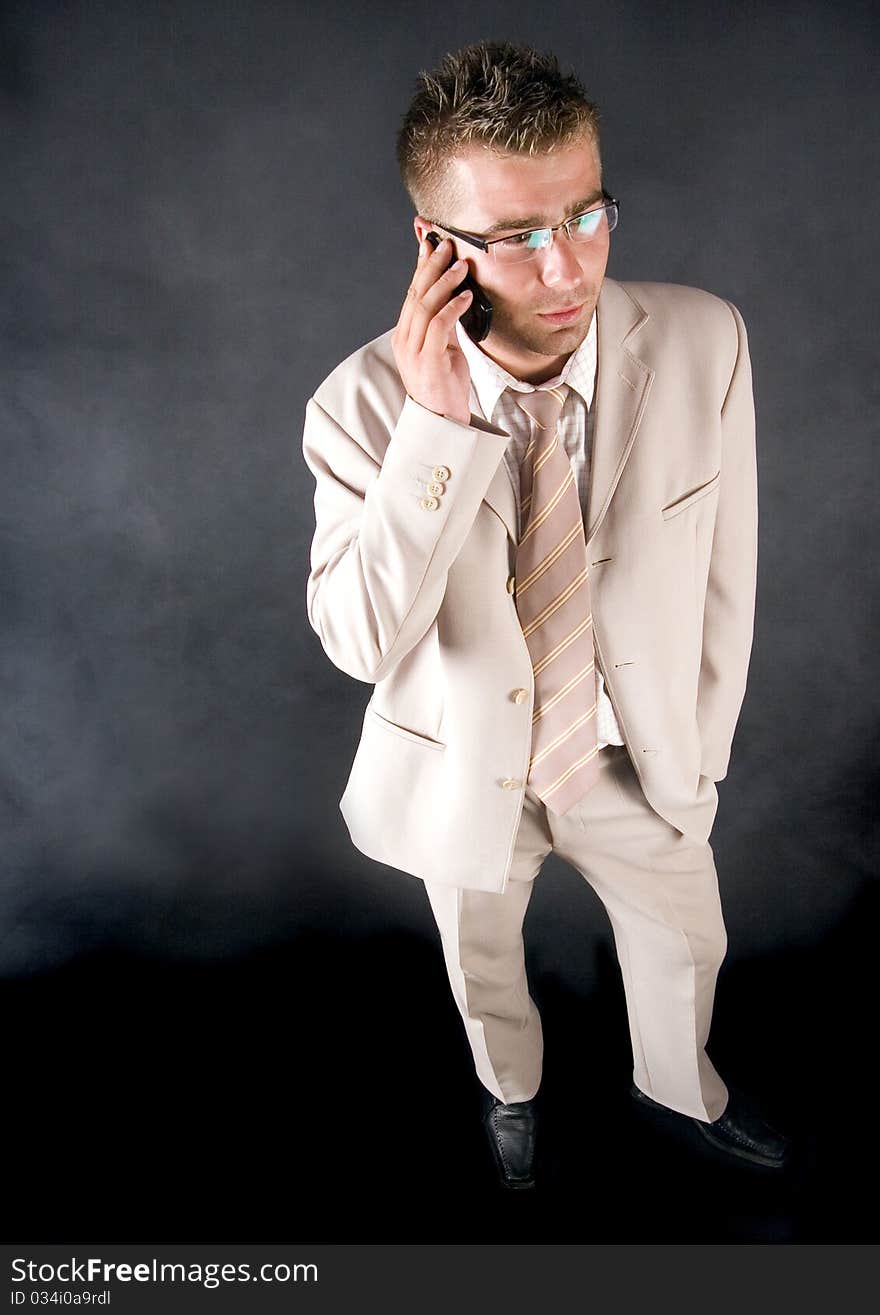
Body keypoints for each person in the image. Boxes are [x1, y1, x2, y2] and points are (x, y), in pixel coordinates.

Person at [301, 40, 790, 1189]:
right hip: (469, 768)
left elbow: (730, 572)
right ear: (437, 248)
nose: (566, 266)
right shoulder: (356, 404)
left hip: (632, 757)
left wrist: (700, 747)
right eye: (517, 235)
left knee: (687, 945)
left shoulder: (703, 338)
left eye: (584, 214)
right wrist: (436, 427)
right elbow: (360, 639)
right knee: (481, 967)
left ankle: (684, 1090)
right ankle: (510, 1101)